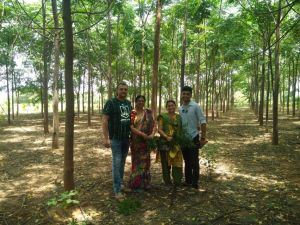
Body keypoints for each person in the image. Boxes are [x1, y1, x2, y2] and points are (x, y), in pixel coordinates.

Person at [102, 81, 132, 200]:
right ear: (117, 90)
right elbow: (104, 120)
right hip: (115, 138)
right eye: (121, 89)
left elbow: (131, 121)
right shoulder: (111, 102)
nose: (123, 91)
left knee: (122, 162)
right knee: (116, 163)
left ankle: (120, 184)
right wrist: (105, 138)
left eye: (125, 89)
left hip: (126, 138)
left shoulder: (128, 103)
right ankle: (117, 190)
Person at [179, 86, 207, 189]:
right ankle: (188, 180)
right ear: (181, 95)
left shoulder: (195, 106)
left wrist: (202, 138)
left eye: (188, 94)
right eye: (184, 93)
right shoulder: (180, 108)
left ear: (191, 95)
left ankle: (195, 182)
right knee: (186, 160)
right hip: (184, 139)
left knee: (194, 160)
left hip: (194, 137)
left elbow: (203, 122)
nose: (185, 95)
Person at [128, 95, 156, 191]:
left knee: (146, 162)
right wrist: (141, 134)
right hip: (136, 142)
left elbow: (154, 125)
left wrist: (152, 134)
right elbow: (131, 127)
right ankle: (136, 183)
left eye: (142, 101)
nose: (141, 102)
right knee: (136, 162)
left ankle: (146, 183)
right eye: (139, 100)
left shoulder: (148, 112)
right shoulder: (132, 113)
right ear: (135, 102)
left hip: (146, 142)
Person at [157, 100, 183, 187]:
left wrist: (179, 139)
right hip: (164, 143)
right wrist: (166, 137)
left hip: (176, 143)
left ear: (175, 106)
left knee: (177, 163)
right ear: (166, 107)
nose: (170, 107)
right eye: (168, 106)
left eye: (172, 105)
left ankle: (177, 181)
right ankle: (167, 181)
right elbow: (159, 129)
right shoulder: (162, 117)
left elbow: (181, 129)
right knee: (165, 163)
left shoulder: (179, 117)